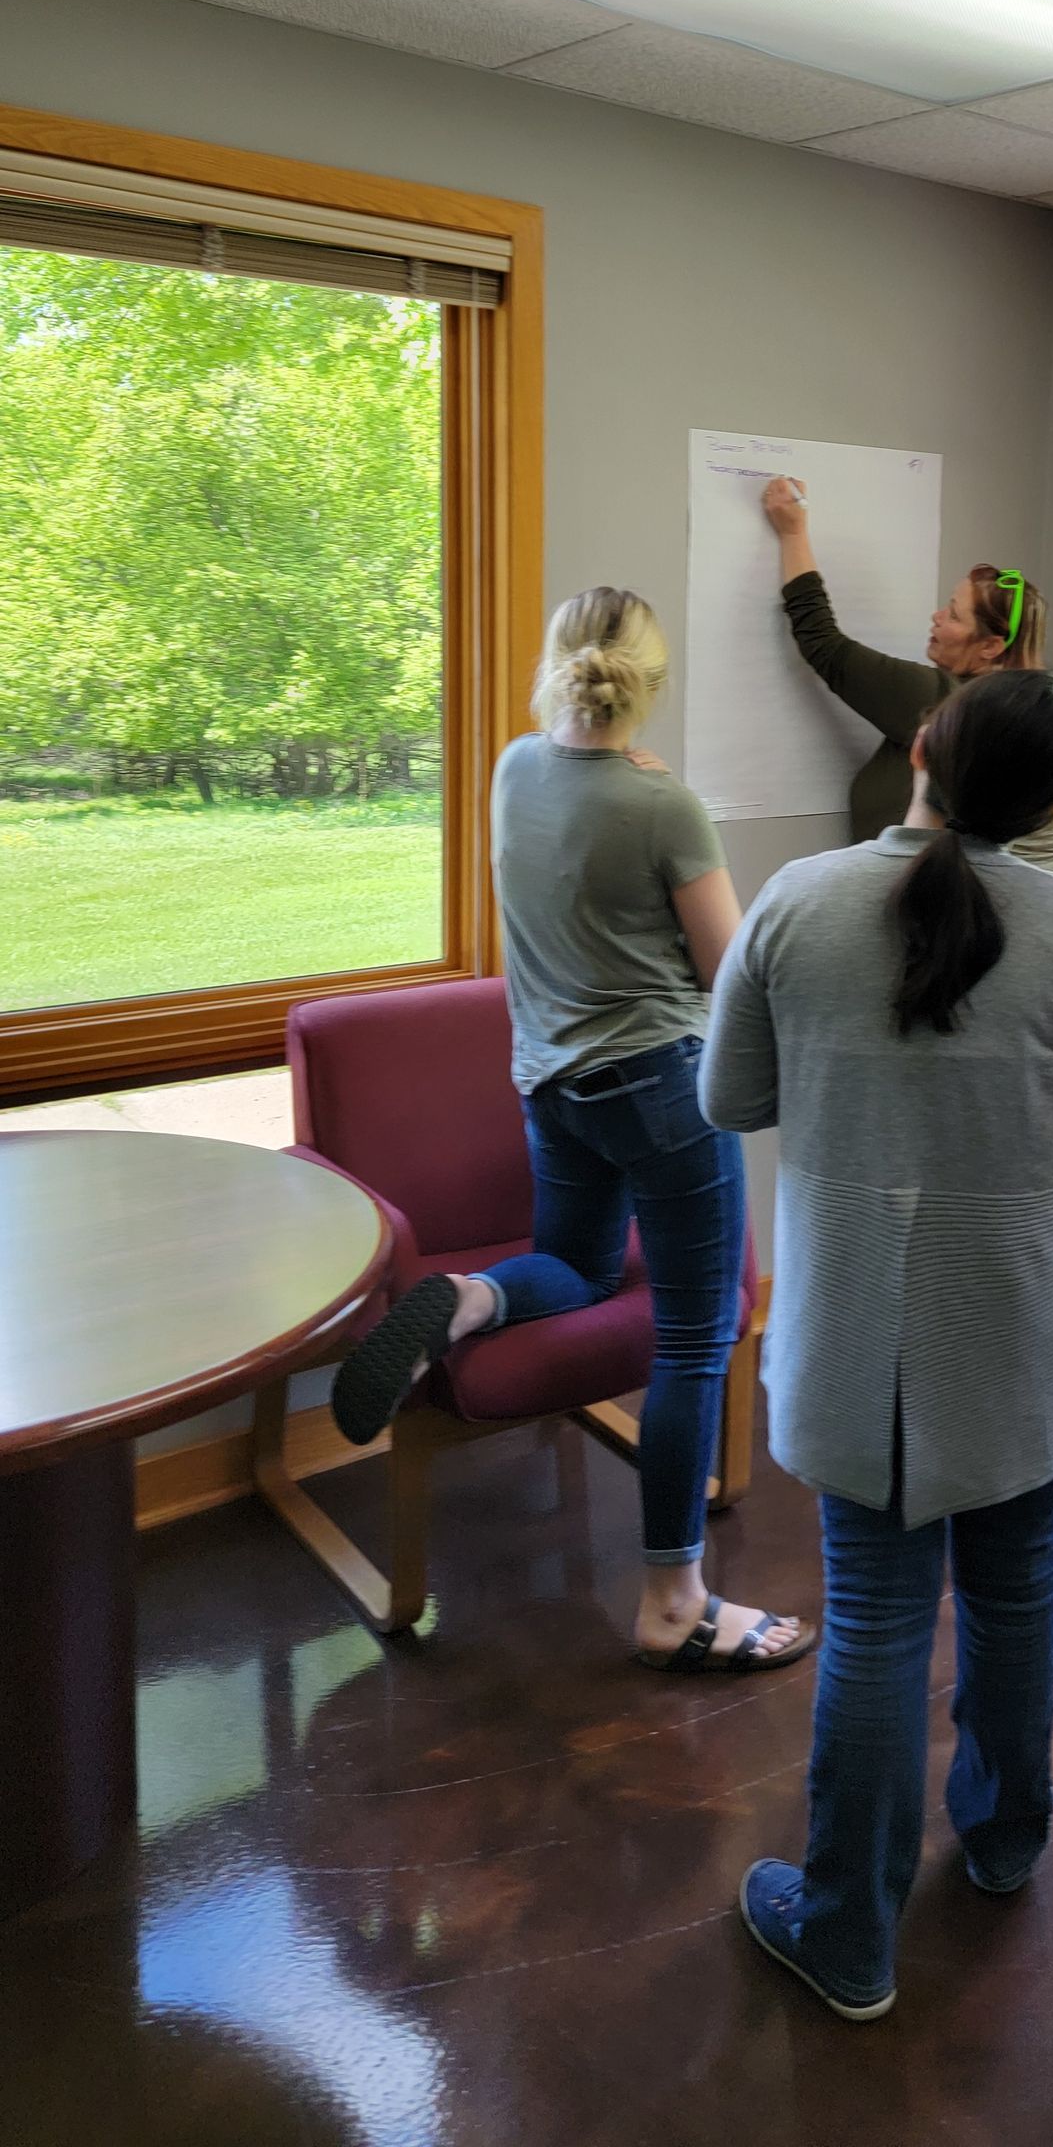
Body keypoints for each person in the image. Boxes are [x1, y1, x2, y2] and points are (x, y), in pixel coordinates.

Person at [700, 668, 1053, 2018]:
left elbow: (729, 1092)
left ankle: (848, 1931)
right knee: (1017, 1593)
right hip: (1018, 1330)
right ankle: (1006, 1840)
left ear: (916, 752)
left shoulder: (797, 900)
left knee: (875, 1617)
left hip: (857, 1326)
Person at [331, 586, 812, 1676]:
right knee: (701, 1334)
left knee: (581, 1267)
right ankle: (672, 1598)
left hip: (552, 1083)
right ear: (651, 678)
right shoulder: (662, 807)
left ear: (560, 663)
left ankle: (470, 1299)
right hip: (660, 1088)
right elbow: (727, 969)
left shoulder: (514, 767)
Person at [761, 474, 1053, 876]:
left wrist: (793, 532)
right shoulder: (1024, 716)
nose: (937, 617)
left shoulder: (942, 702)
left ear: (990, 647)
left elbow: (824, 645)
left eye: (954, 615)